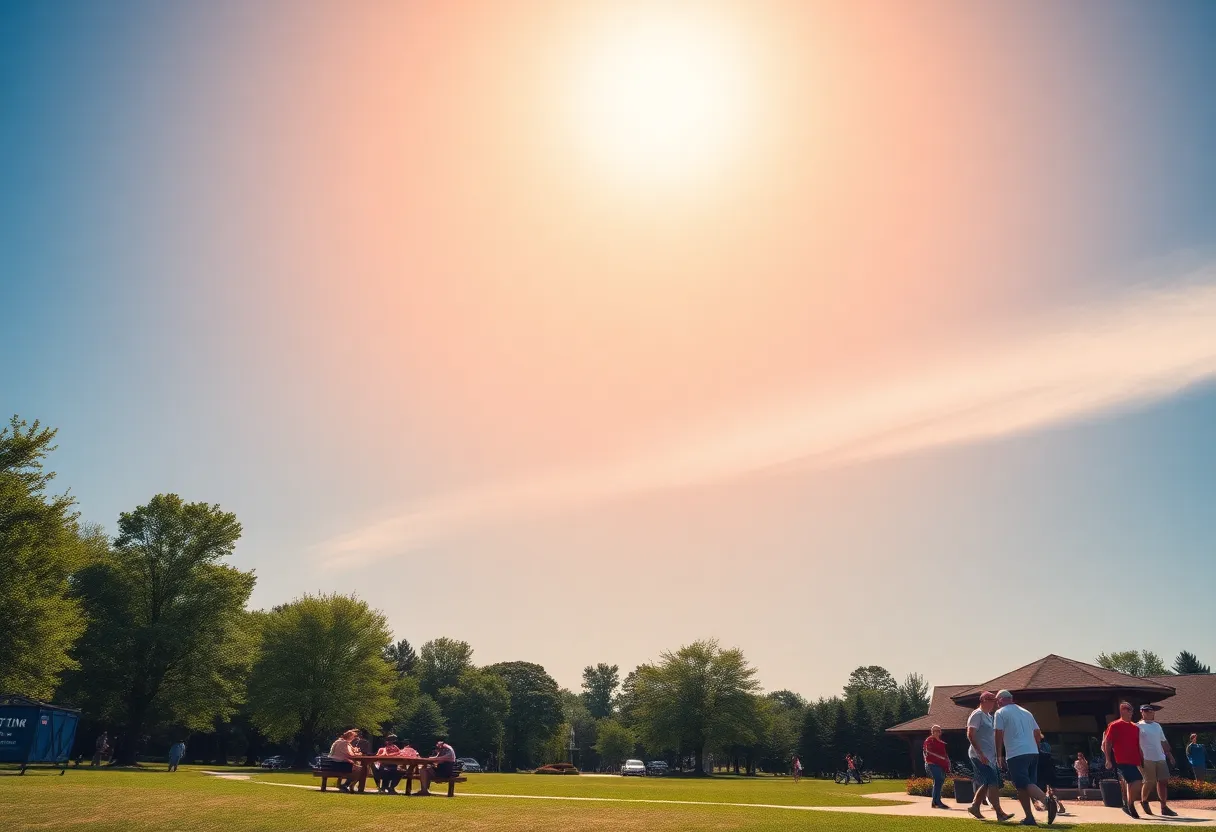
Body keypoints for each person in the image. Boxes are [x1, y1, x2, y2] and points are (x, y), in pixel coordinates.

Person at [994, 689, 1056, 826]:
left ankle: (1047, 801)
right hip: (1032, 752)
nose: (997, 704)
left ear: (1001, 700)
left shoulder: (1000, 713)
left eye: (997, 701)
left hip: (1016, 753)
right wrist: (1036, 747)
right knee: (1024, 786)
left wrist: (999, 755)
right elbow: (1037, 732)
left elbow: (998, 734)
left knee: (1022, 783)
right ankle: (1029, 818)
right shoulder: (1026, 712)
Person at [966, 691, 1012, 821]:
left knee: (987, 782)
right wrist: (980, 754)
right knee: (992, 781)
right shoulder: (977, 715)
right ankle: (999, 812)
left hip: (990, 757)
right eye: (991, 700)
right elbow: (970, 734)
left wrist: (998, 756)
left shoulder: (989, 716)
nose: (994, 703)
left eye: (994, 701)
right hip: (978, 755)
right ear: (984, 700)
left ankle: (975, 806)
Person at [1102, 701, 1144, 818]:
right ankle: (1130, 805)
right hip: (1120, 759)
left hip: (1133, 760)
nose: (1130, 712)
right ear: (1122, 711)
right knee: (1137, 780)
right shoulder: (1114, 725)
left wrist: (1141, 759)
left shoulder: (1135, 727)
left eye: (1131, 709)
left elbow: (1137, 744)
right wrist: (1108, 759)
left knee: (1131, 783)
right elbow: (1107, 743)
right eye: (1127, 709)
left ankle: (1128, 805)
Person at [1136, 704, 1178, 816]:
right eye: (1147, 711)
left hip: (1160, 757)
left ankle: (1164, 807)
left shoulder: (1157, 726)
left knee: (1163, 781)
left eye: (1151, 711)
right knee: (1150, 781)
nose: (1150, 713)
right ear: (1142, 712)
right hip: (1146, 758)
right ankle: (1144, 801)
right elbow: (1134, 743)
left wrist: (1169, 755)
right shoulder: (1138, 726)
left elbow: (1163, 741)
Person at [923, 725, 951, 809]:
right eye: (935, 730)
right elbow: (928, 752)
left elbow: (944, 754)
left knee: (940, 781)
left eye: (938, 730)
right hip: (932, 764)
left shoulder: (941, 742)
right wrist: (941, 758)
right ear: (932, 731)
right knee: (938, 780)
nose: (937, 732)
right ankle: (937, 801)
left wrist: (947, 761)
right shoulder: (929, 740)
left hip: (941, 764)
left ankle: (935, 801)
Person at [328, 728, 363, 793]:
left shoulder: (339, 741)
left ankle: (347, 785)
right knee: (361, 770)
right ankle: (347, 785)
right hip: (338, 764)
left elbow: (346, 753)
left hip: (334, 763)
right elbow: (349, 755)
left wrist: (355, 752)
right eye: (353, 736)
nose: (354, 738)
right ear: (349, 736)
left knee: (357, 768)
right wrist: (357, 754)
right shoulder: (344, 742)